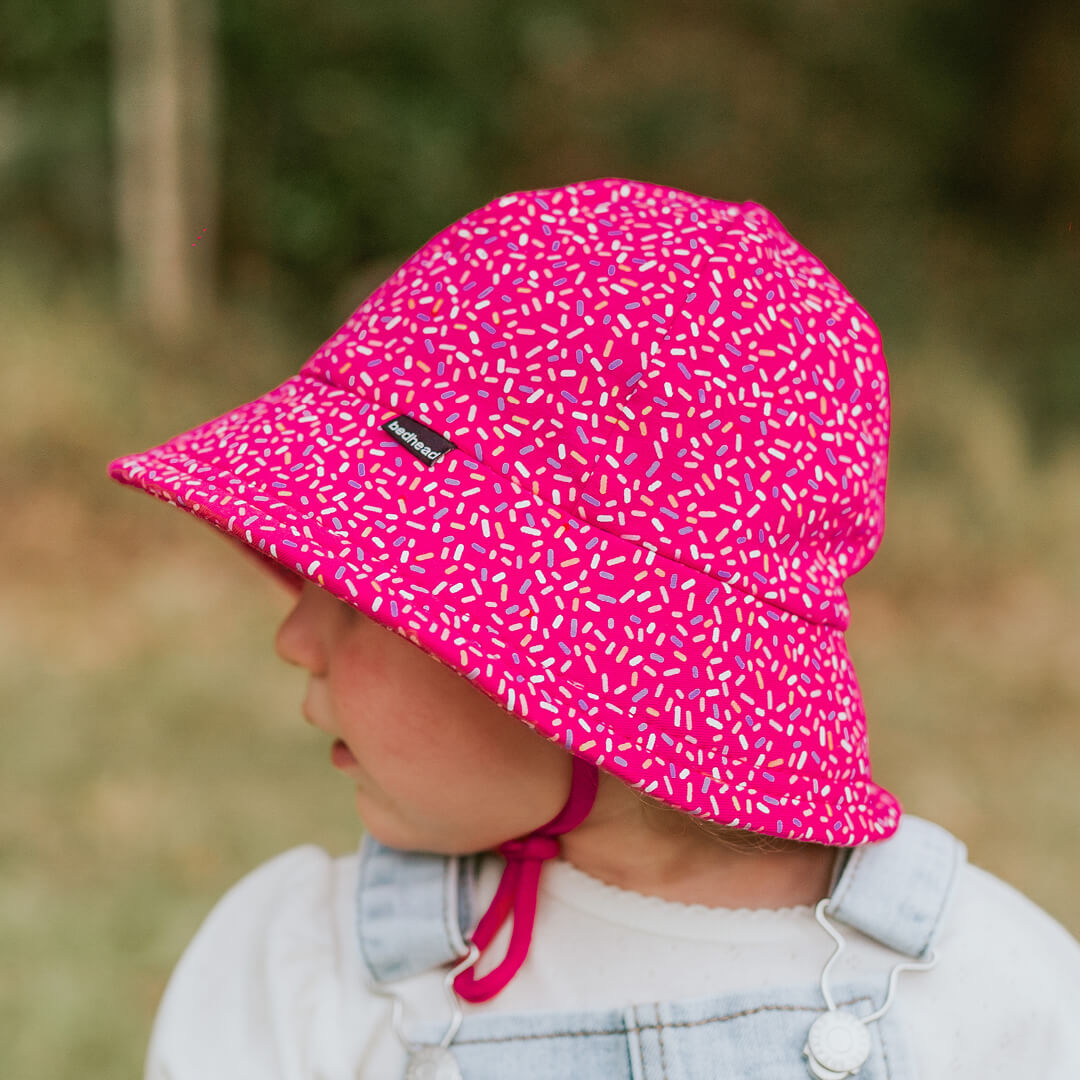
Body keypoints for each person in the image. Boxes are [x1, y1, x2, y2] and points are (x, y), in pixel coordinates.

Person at [108, 176, 1080, 1079]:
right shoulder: (306, 967)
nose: (293, 635)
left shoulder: (995, 1001)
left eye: (363, 594)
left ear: (585, 673)